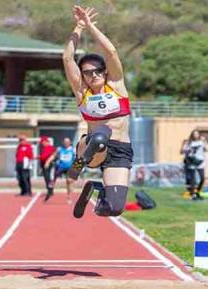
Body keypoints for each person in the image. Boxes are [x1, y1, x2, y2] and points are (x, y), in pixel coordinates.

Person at [63, 5, 134, 218]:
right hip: (92, 146)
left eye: (97, 71)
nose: (93, 75)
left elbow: (111, 52)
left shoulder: (117, 85)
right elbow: (67, 59)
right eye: (87, 72)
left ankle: (94, 187)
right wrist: (78, 29)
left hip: (120, 150)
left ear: (104, 72)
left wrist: (91, 26)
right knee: (101, 136)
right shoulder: (81, 92)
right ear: (82, 76)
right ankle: (77, 166)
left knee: (114, 208)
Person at [181, 130, 208, 200]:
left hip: (200, 161)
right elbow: (182, 151)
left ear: (199, 135)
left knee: (202, 178)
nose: (195, 135)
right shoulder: (189, 142)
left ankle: (197, 191)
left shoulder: (201, 142)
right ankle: (193, 194)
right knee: (193, 179)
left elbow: (206, 149)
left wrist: (204, 142)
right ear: (192, 135)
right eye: (194, 134)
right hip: (192, 161)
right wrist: (185, 148)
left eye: (197, 134)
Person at [53, 137, 76, 203]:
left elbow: (78, 159)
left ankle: (69, 196)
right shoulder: (60, 149)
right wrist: (49, 161)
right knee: (53, 178)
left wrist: (78, 169)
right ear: (63, 143)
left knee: (69, 181)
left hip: (70, 168)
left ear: (70, 143)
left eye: (67, 142)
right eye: (65, 142)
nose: (66, 143)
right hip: (61, 167)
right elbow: (54, 156)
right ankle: (50, 189)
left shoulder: (73, 150)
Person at [39, 136, 56, 201]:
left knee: (49, 179)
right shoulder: (43, 148)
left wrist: (47, 162)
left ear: (46, 141)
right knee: (47, 179)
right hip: (44, 165)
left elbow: (52, 156)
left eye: (43, 142)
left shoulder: (50, 147)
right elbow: (42, 156)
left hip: (50, 165)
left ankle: (50, 191)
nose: (42, 144)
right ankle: (49, 191)